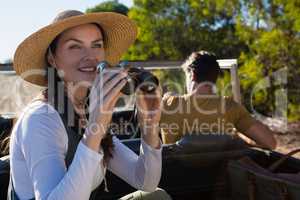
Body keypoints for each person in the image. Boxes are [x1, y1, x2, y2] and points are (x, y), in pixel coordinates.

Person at [8, 10, 171, 200]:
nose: (90, 56)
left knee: (156, 196)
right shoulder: (41, 119)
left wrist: (149, 126)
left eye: (97, 45)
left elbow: (146, 182)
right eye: (75, 47)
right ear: (52, 59)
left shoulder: (86, 111)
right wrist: (95, 129)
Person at [160, 51, 277, 150]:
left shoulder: (169, 103)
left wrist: (168, 96)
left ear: (192, 75)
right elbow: (270, 143)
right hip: (220, 175)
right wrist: (238, 140)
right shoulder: (231, 106)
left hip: (177, 175)